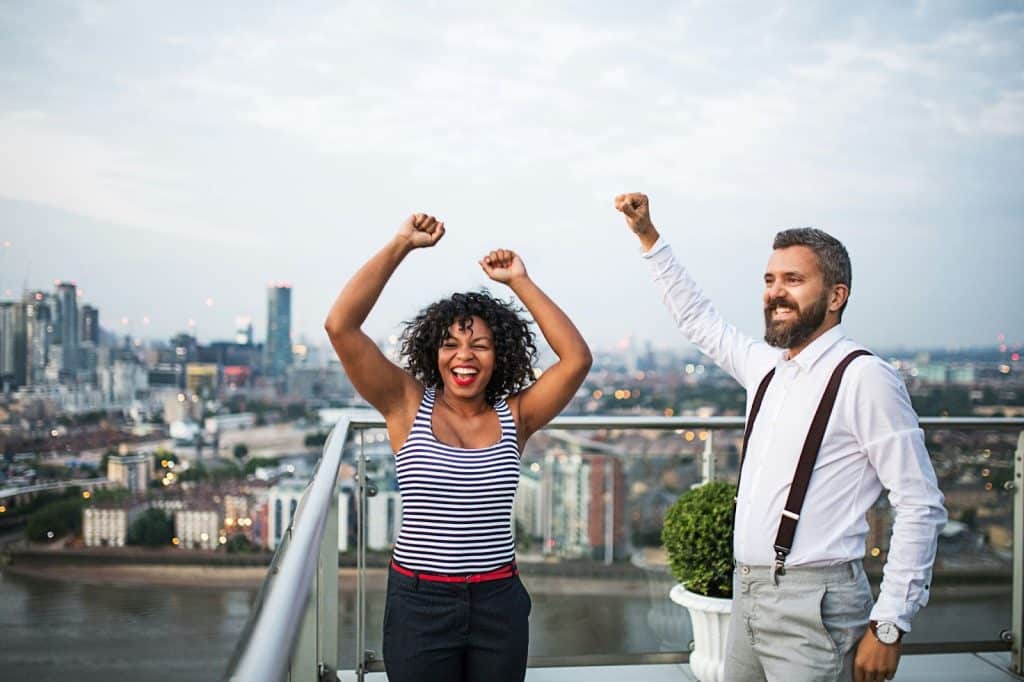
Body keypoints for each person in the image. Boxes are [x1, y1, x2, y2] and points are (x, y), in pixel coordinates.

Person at [614, 193, 947, 682]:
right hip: (747, 595)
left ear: (837, 296)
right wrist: (648, 237)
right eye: (770, 280)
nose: (775, 292)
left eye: (794, 280)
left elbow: (920, 503)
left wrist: (891, 622)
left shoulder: (863, 377)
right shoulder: (767, 367)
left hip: (816, 606)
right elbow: (697, 319)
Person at [324, 213, 592, 682]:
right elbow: (341, 327)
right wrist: (401, 244)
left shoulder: (517, 416)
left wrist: (520, 282)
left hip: (498, 602)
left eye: (480, 345)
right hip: (420, 604)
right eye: (450, 344)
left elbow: (576, 359)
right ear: (434, 352)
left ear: (500, 357)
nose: (464, 356)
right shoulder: (406, 405)